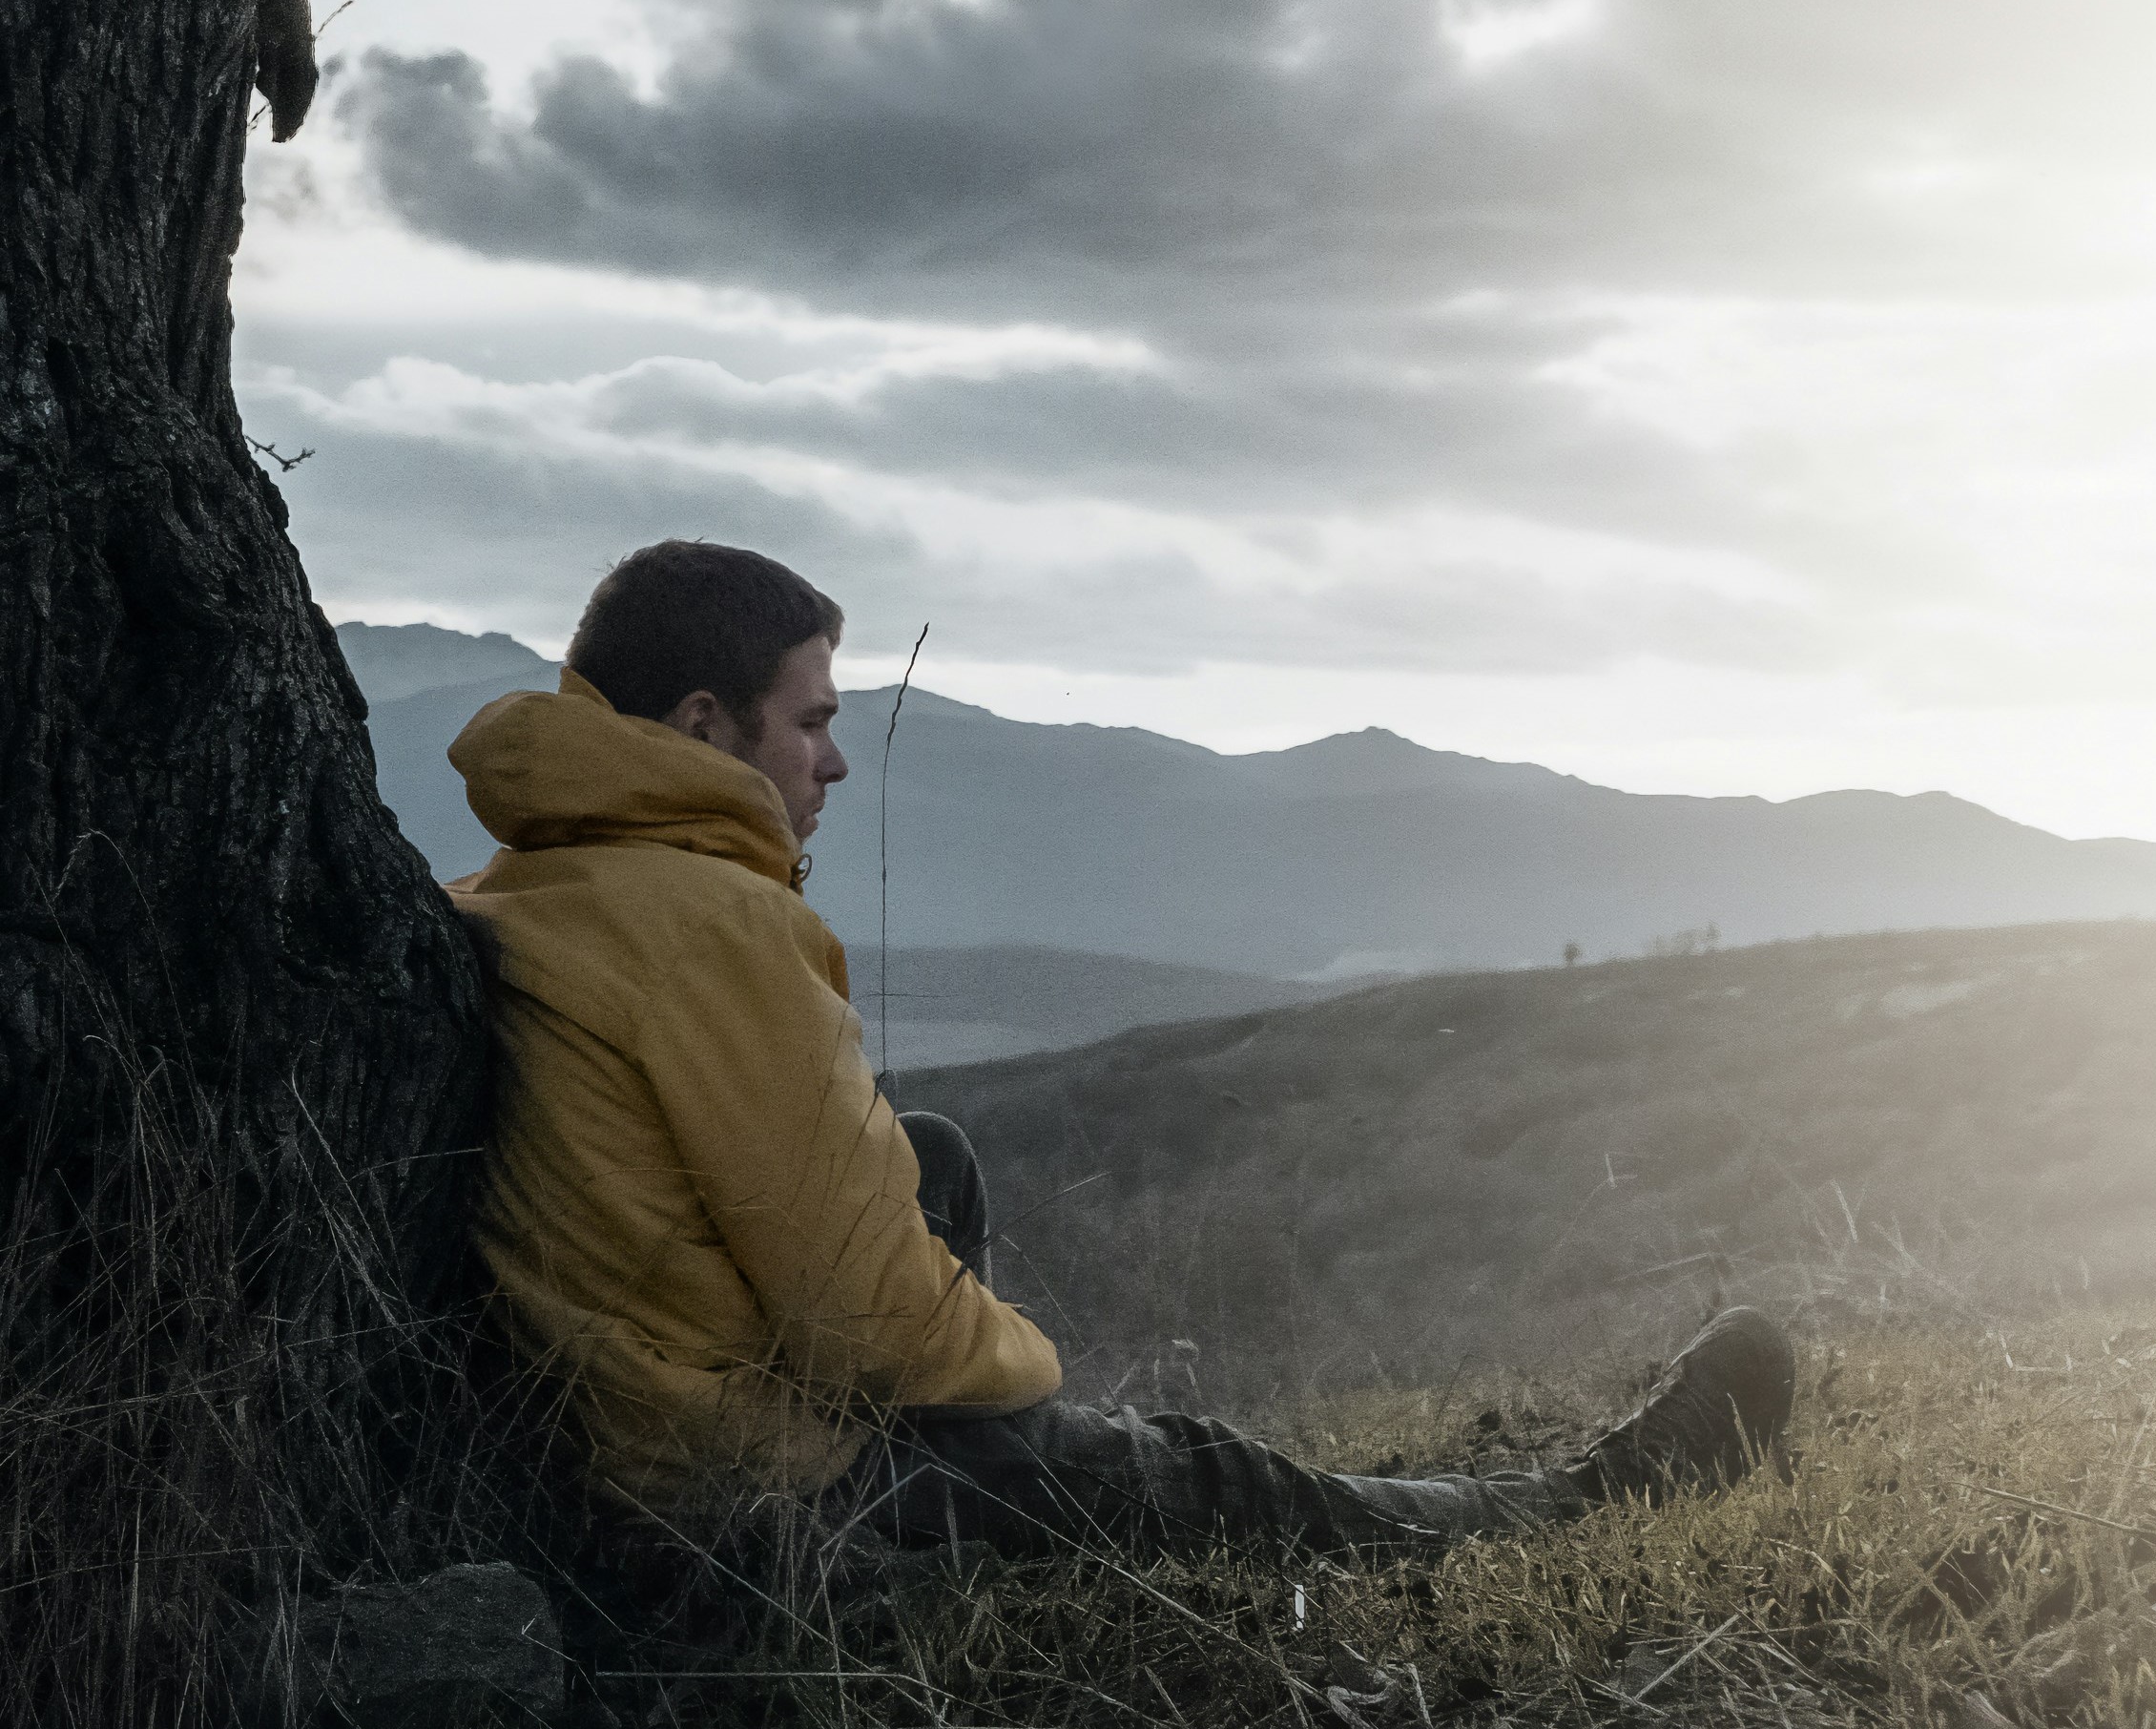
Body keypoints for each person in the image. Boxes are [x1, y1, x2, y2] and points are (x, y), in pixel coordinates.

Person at [447, 538, 1793, 1557]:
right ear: (698, 728)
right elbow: (864, 1312)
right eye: (811, 721)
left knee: (931, 1159)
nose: (836, 764)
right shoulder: (710, 926)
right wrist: (1030, 1391)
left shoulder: (527, 878)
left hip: (626, 1450)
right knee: (1192, 1474)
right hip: (747, 1511)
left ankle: (1006, 1465)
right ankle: (1569, 1502)